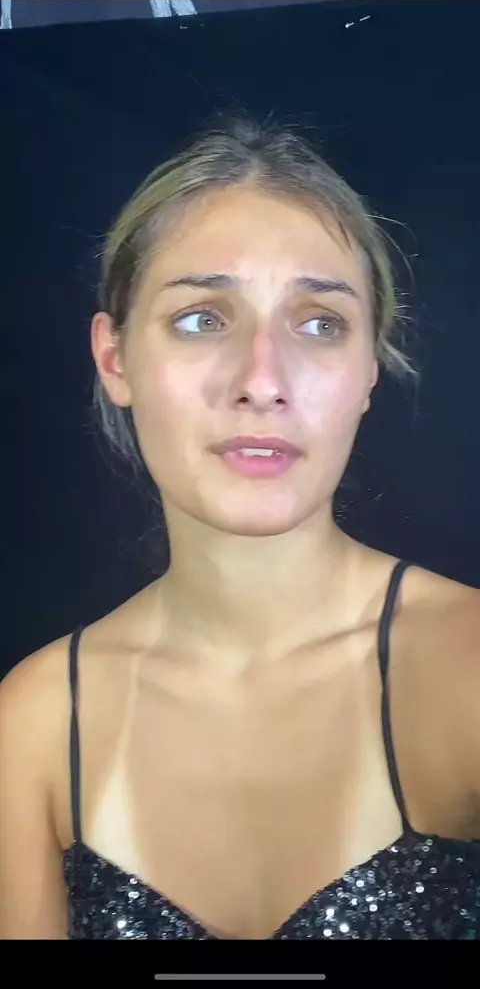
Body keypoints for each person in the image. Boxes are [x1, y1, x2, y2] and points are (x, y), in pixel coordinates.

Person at [1, 115, 479, 942]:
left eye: (320, 323)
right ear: (115, 359)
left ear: (369, 368)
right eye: (202, 318)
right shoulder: (35, 725)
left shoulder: (466, 665)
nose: (262, 380)